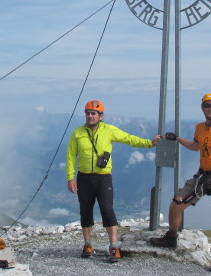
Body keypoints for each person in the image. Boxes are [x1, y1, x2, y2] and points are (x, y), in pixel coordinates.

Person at [150, 93, 211, 273]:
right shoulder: (200, 128)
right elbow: (195, 147)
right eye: (207, 105)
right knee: (176, 204)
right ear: (202, 107)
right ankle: (171, 238)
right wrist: (177, 139)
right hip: (203, 176)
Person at [66, 100, 161, 263]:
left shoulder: (109, 130)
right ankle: (88, 245)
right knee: (85, 211)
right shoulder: (77, 133)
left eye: (93, 113)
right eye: (88, 113)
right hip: (84, 177)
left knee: (107, 210)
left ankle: (113, 247)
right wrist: (70, 178)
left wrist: (149, 144)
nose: (90, 116)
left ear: (100, 116)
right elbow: (70, 156)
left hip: (103, 177)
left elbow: (129, 139)